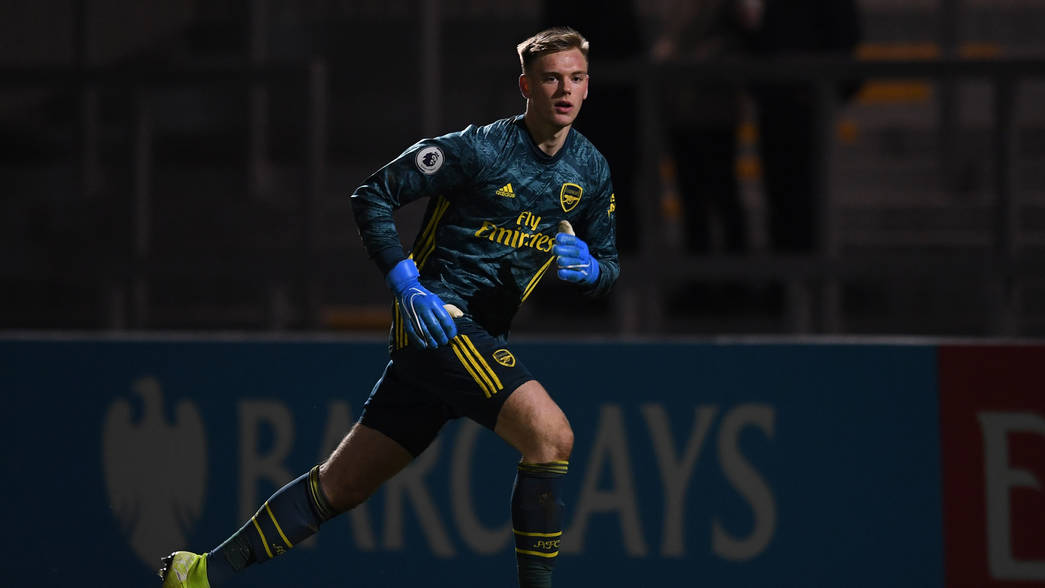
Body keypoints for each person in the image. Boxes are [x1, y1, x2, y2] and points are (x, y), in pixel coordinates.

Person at [158, 27, 619, 588]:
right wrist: (408, 286)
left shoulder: (591, 171)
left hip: (481, 336)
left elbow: (610, 266)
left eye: (575, 78)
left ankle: (200, 571)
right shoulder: (478, 150)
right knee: (552, 437)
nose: (564, 90)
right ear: (525, 85)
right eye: (550, 78)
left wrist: (591, 269)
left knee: (341, 486)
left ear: (589, 86)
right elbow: (371, 194)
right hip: (438, 321)